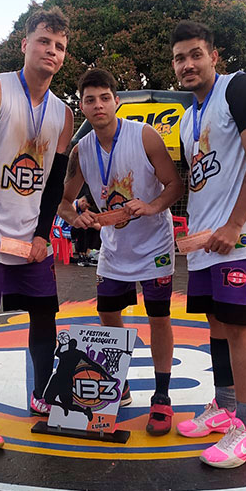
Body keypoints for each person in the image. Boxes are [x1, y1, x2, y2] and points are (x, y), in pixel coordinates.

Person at [0, 7, 73, 448]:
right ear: (25, 44)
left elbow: (56, 180)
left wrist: (44, 234)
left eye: (60, 46)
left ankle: (42, 395)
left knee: (45, 316)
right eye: (44, 41)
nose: (52, 51)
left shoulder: (63, 114)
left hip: (28, 239)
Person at [170, 20, 246, 468]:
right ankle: (225, 405)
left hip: (241, 236)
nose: (188, 64)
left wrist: (234, 225)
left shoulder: (240, 89)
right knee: (215, 324)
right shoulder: (186, 119)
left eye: (196, 54)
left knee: (238, 327)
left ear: (214, 56)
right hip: (205, 241)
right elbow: (195, 184)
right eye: (179, 58)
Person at [58, 68, 184, 436]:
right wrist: (76, 218)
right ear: (81, 106)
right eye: (89, 100)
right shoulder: (82, 149)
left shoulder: (144, 135)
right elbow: (64, 201)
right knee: (107, 314)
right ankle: (118, 381)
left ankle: (162, 396)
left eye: (104, 97)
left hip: (154, 245)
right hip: (114, 248)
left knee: (159, 317)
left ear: (116, 100)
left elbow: (175, 185)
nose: (98, 105)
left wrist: (152, 205)